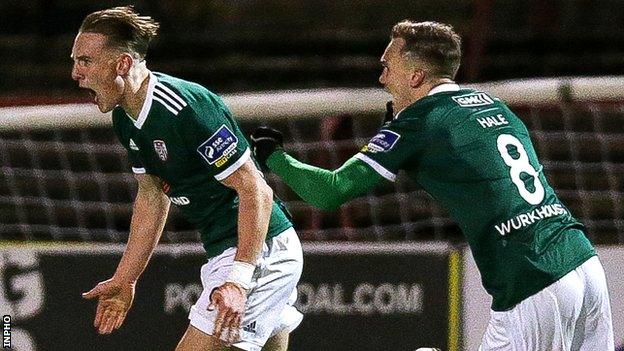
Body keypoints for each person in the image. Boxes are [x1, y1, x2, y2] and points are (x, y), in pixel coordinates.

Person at [251, 20, 614, 350]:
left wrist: (276, 158)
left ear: (415, 76)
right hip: (582, 260)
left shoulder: (418, 124)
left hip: (530, 275)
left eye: (387, 66)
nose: (382, 79)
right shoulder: (495, 105)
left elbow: (330, 191)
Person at [72, 6, 303, 351]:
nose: (75, 73)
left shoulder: (186, 108)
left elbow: (256, 189)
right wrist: (126, 278)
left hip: (258, 252)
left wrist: (239, 279)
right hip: (231, 250)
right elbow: (151, 196)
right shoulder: (125, 118)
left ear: (122, 64)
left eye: (85, 62)